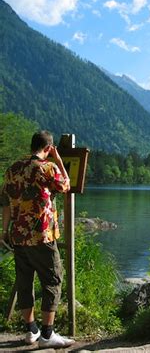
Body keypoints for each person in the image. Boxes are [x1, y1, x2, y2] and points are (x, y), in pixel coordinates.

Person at [0, 131, 75, 348]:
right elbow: (65, 185)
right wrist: (59, 161)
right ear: (49, 149)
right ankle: (47, 335)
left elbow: (5, 203)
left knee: (25, 281)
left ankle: (31, 330)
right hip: (41, 236)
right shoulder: (46, 168)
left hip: (18, 235)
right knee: (52, 280)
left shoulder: (13, 169)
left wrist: (4, 231)